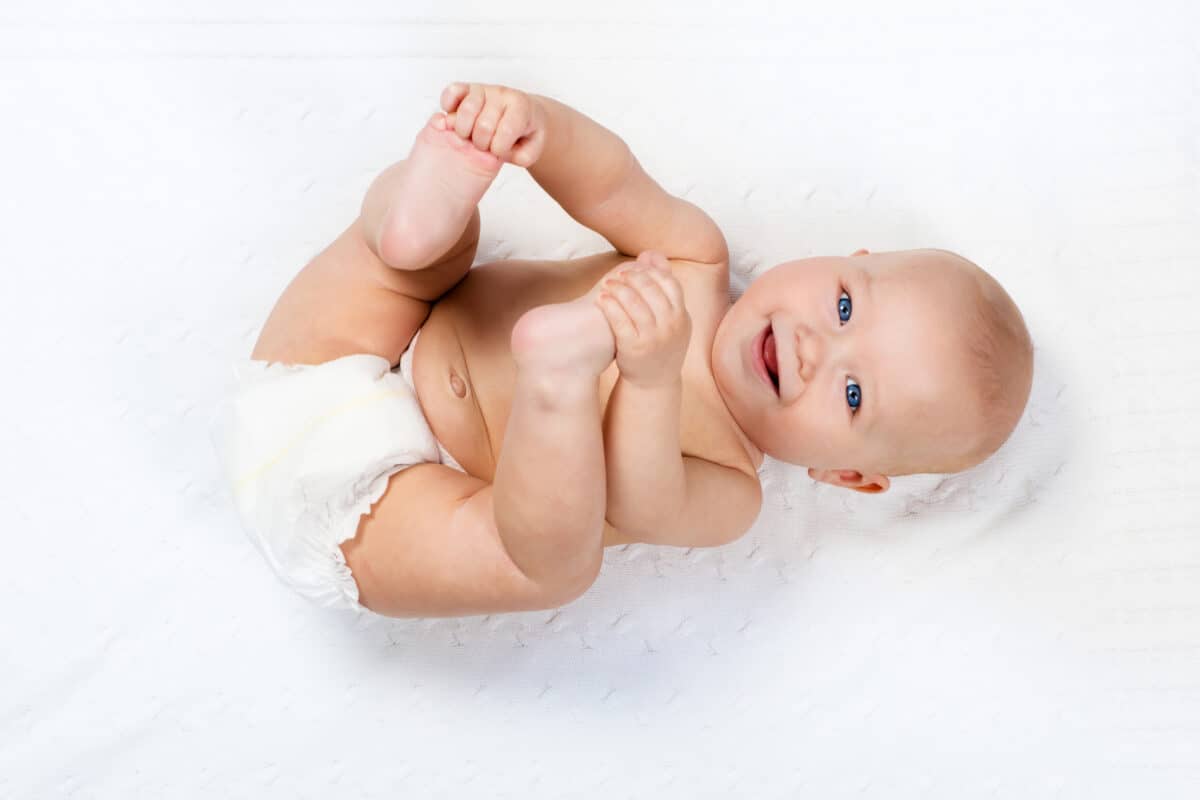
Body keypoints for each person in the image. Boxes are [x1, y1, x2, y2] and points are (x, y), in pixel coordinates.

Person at [215, 82, 1033, 619]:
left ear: (845, 476)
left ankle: (555, 388)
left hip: (393, 516)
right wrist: (538, 128)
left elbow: (643, 497)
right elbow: (612, 182)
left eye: (853, 396)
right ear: (844, 255)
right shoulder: (695, 259)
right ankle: (427, 198)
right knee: (418, 254)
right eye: (845, 303)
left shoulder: (730, 490)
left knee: (549, 566)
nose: (820, 348)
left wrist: (646, 378)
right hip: (334, 357)